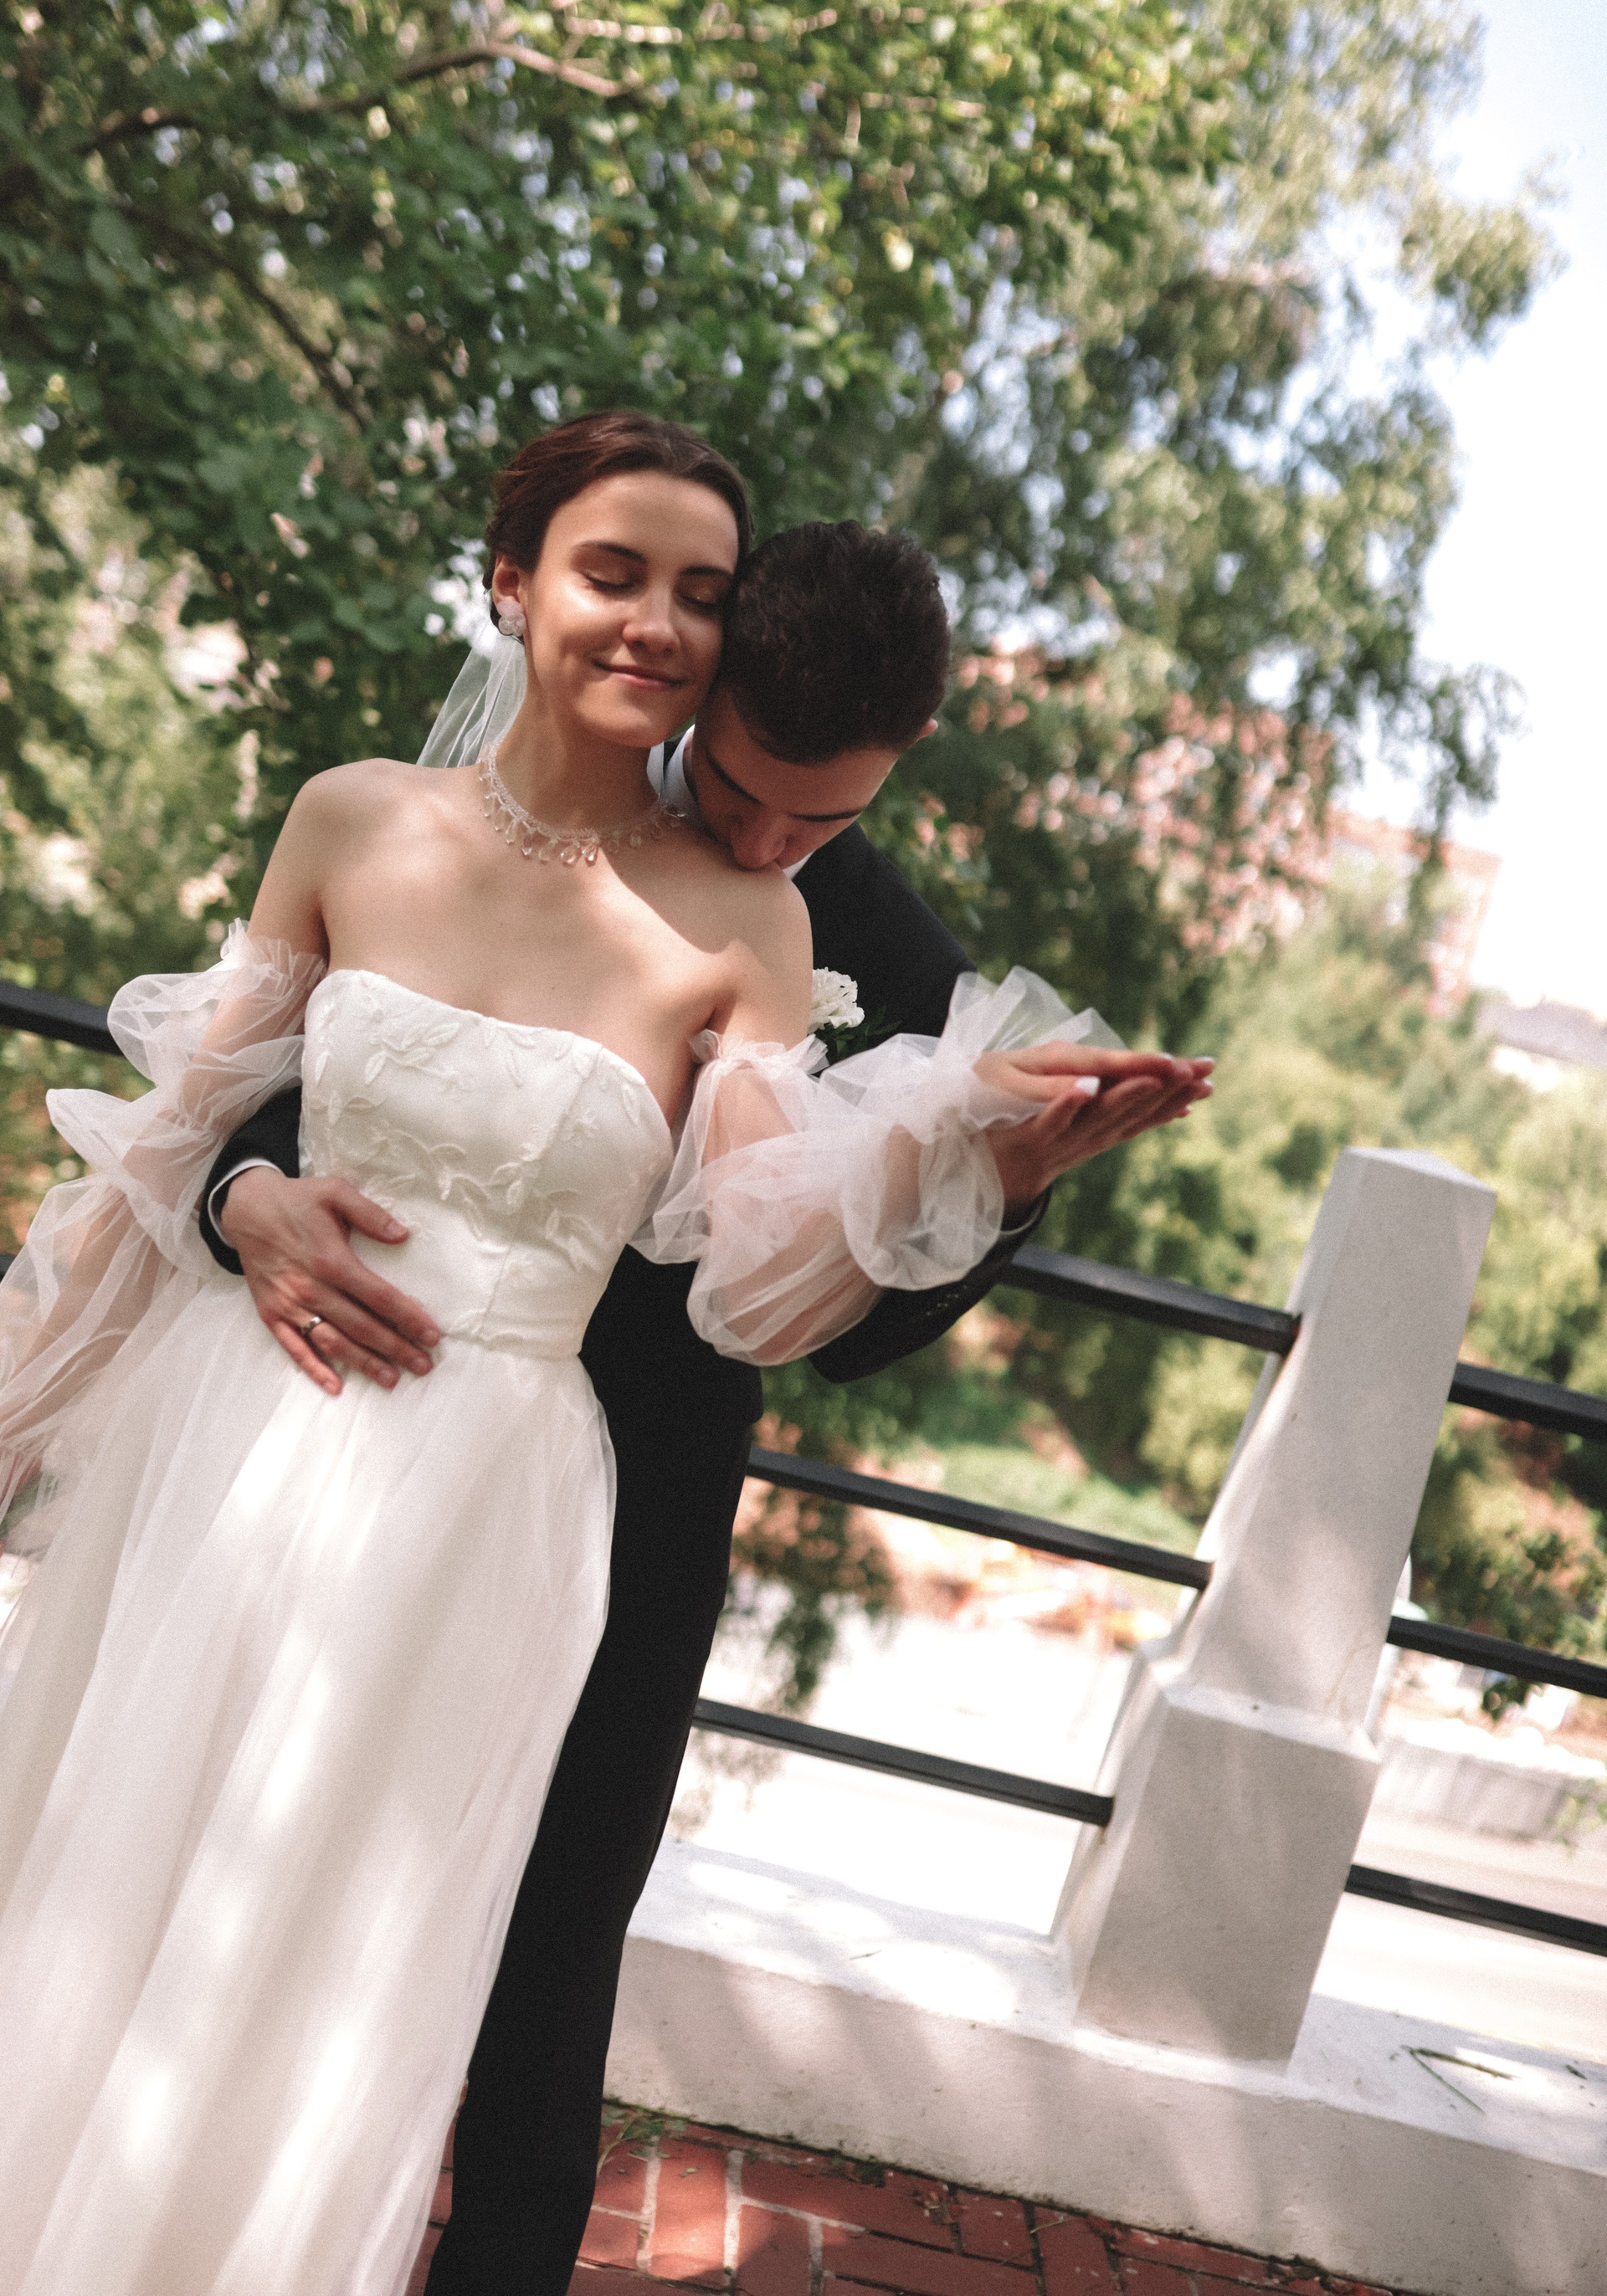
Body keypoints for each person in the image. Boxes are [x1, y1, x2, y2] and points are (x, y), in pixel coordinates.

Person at [192, 422, 1211, 2293]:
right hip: (331, 1423)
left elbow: (850, 1346)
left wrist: (994, 1183)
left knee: (550, 1947)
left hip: (629, 1506)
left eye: (815, 825)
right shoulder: (455, 809)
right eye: (738, 791)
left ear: (902, 763)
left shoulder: (882, 958)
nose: (760, 844)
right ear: (711, 676)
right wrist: (237, 1195)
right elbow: (303, 1076)